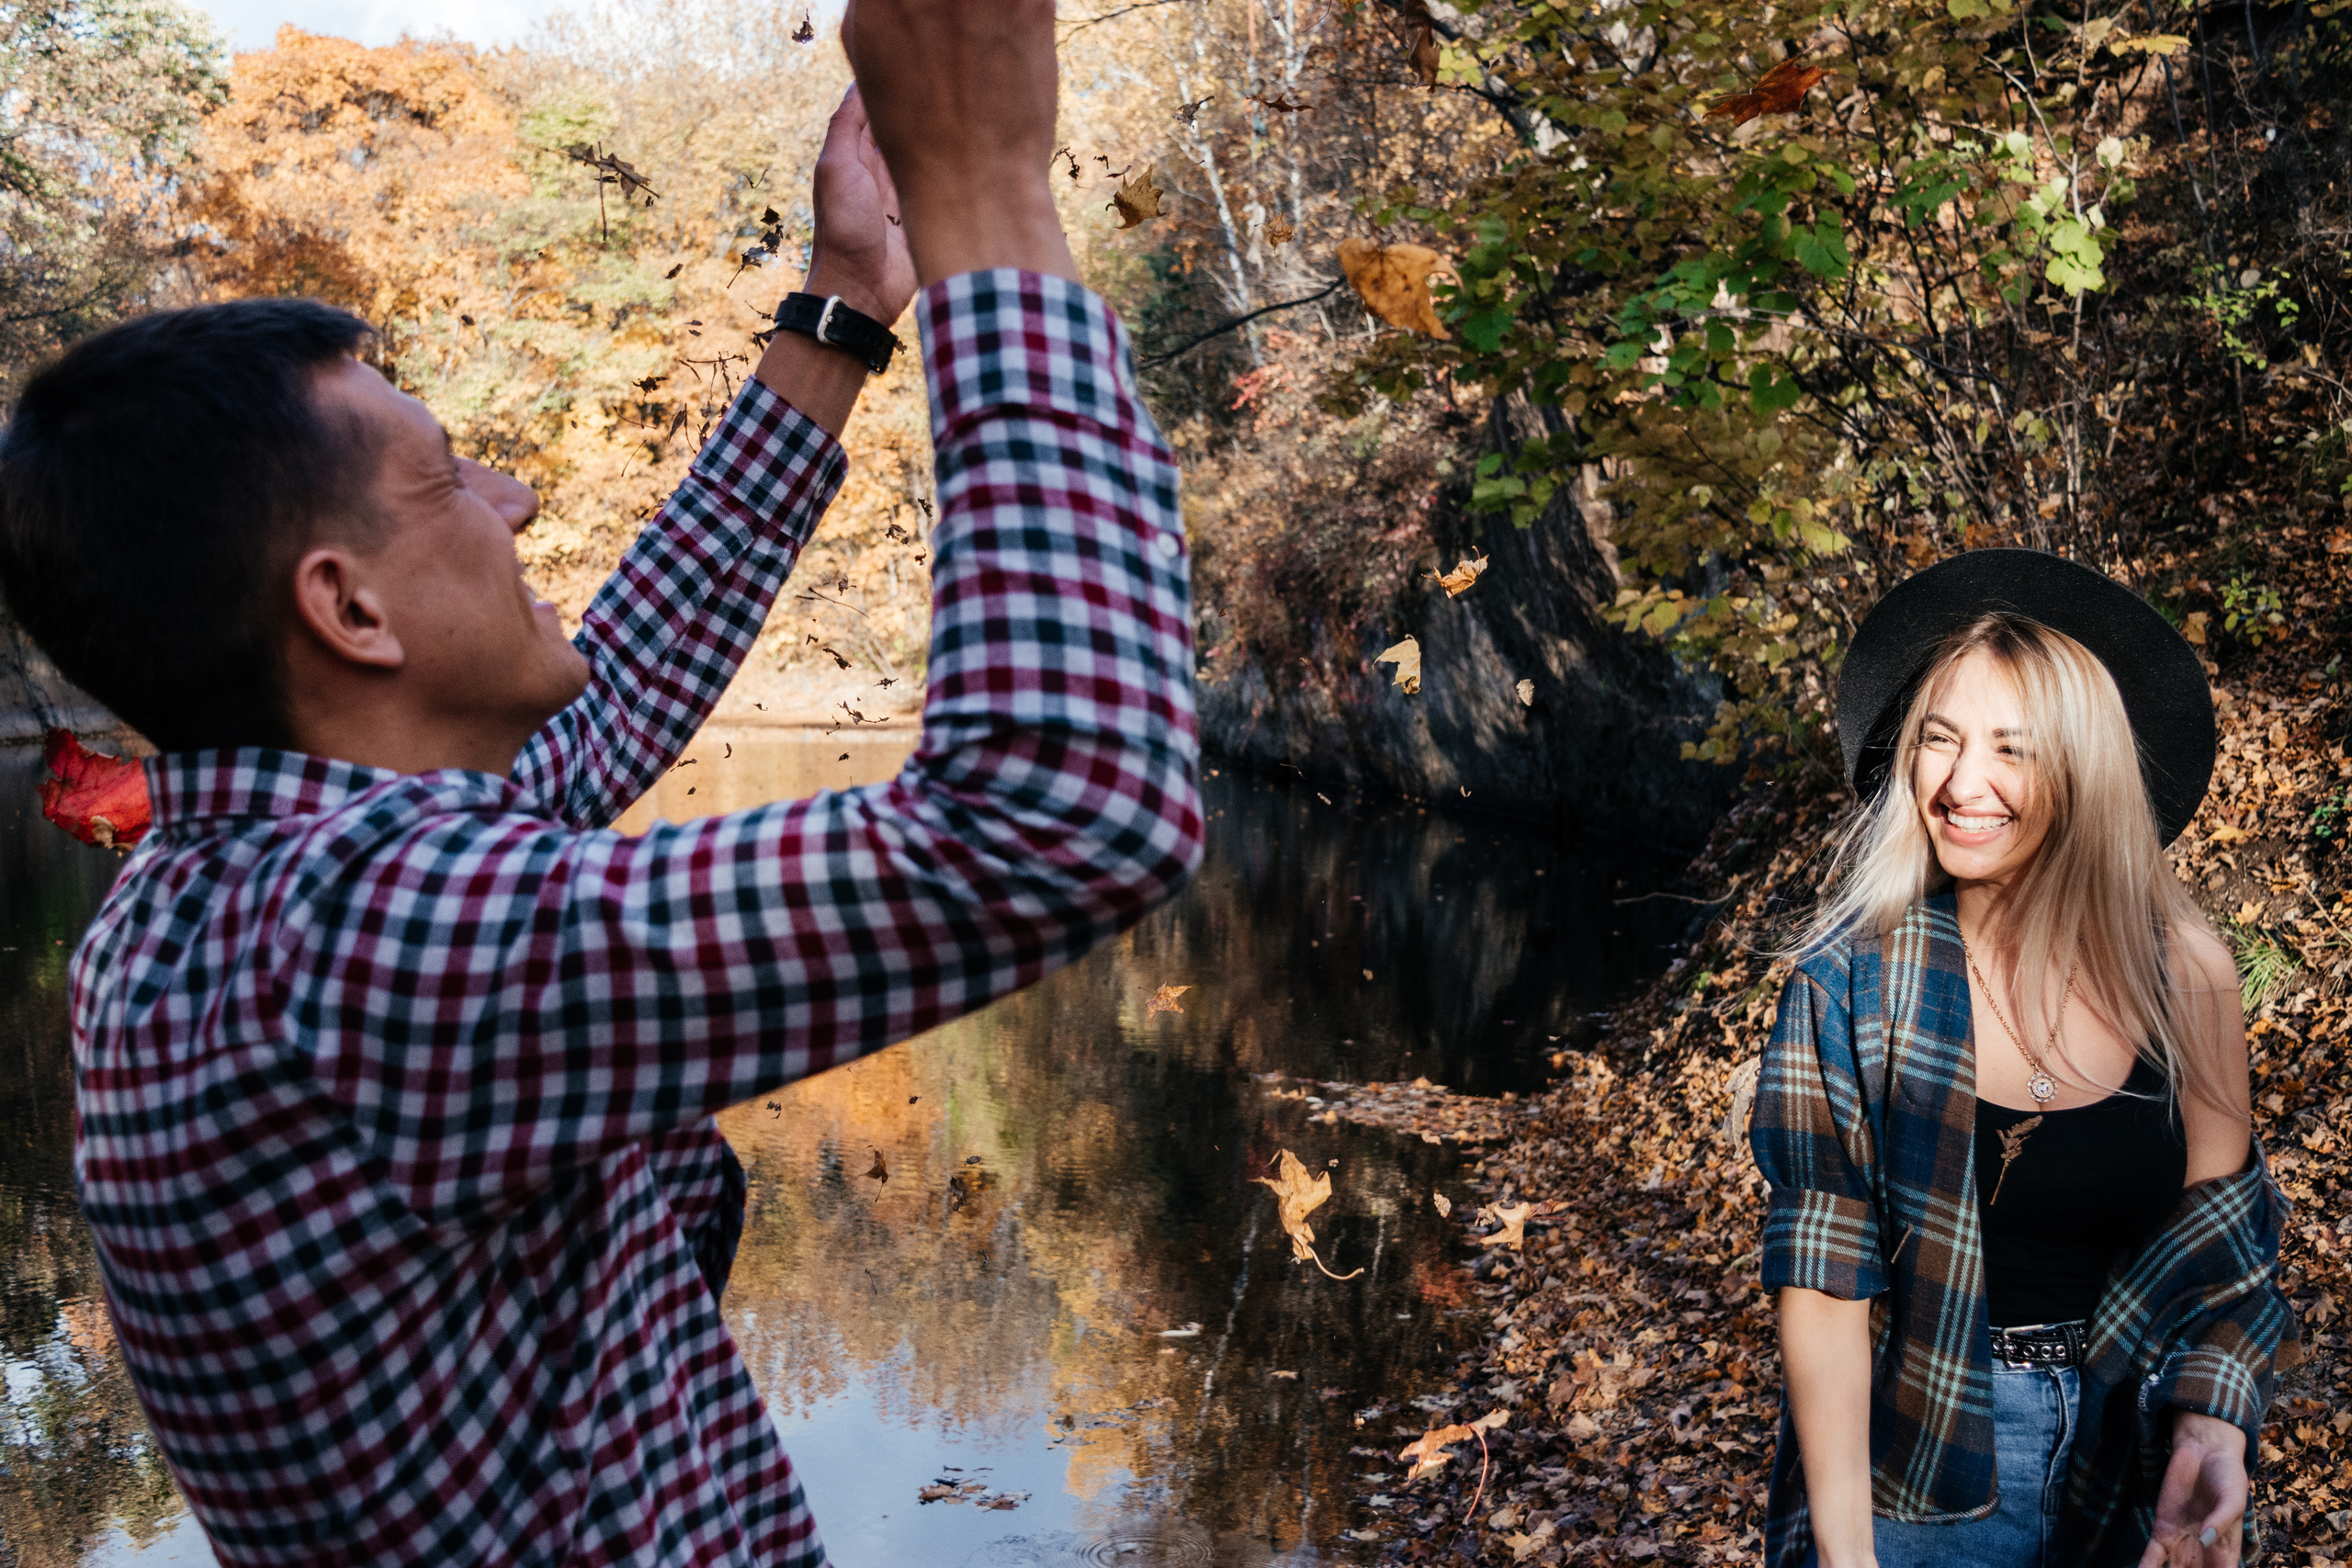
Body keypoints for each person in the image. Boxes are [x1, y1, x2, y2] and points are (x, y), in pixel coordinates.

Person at [0, 0, 1202, 1561]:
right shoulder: (357, 950)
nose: (514, 496)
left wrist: (845, 305)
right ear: (347, 609)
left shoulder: (240, 894)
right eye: (445, 476)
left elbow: (614, 691)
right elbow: (1057, 816)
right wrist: (988, 198)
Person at [1750, 549, 2293, 1568]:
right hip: (1919, 1473)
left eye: (2013, 748)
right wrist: (1843, 1553)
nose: (1962, 784)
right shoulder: (1848, 989)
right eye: (1939, 741)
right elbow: (1822, 1293)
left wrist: (2212, 1425)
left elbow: (2221, 1254)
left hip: (2127, 1457)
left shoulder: (2186, 973)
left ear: (2084, 768)